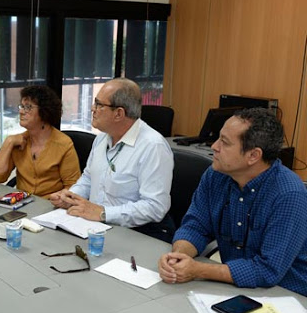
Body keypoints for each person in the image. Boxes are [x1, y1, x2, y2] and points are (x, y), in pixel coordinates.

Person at [158, 108, 307, 295]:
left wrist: (198, 269)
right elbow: (196, 225)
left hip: (287, 294)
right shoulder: (216, 175)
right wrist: (178, 256)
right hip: (236, 286)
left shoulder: (288, 194)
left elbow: (268, 270)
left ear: (253, 155)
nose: (214, 147)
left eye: (225, 143)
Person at [49, 78, 175, 242]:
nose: (92, 109)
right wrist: (70, 197)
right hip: (97, 227)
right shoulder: (102, 139)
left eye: (99, 105)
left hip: (139, 233)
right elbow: (88, 178)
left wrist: (103, 213)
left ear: (119, 114)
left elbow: (155, 207)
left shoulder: (153, 147)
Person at [0, 85, 81, 198]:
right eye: (21, 106)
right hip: (22, 205)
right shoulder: (19, 141)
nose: (21, 111)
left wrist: (58, 198)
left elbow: (73, 187)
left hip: (51, 206)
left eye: (28, 107)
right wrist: (9, 142)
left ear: (44, 111)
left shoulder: (63, 144)